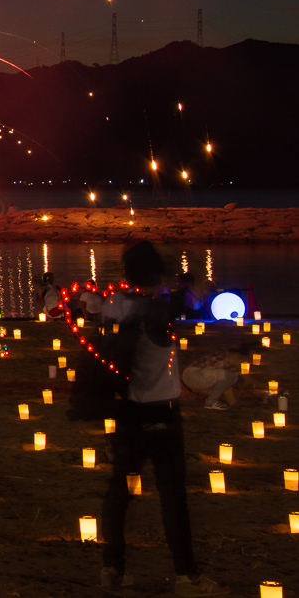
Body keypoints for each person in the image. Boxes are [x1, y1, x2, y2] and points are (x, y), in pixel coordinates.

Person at [99, 241, 224, 596]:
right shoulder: (159, 311)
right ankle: (187, 576)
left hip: (126, 411)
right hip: (161, 412)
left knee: (119, 493)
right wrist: (189, 277)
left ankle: (112, 568)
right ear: (156, 275)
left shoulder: (114, 305)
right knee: (173, 497)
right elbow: (196, 302)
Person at [181, 345, 246, 410]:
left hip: (191, 378)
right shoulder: (224, 357)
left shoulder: (228, 359)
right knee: (229, 375)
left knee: (230, 377)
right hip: (193, 375)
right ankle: (211, 402)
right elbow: (218, 368)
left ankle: (215, 401)